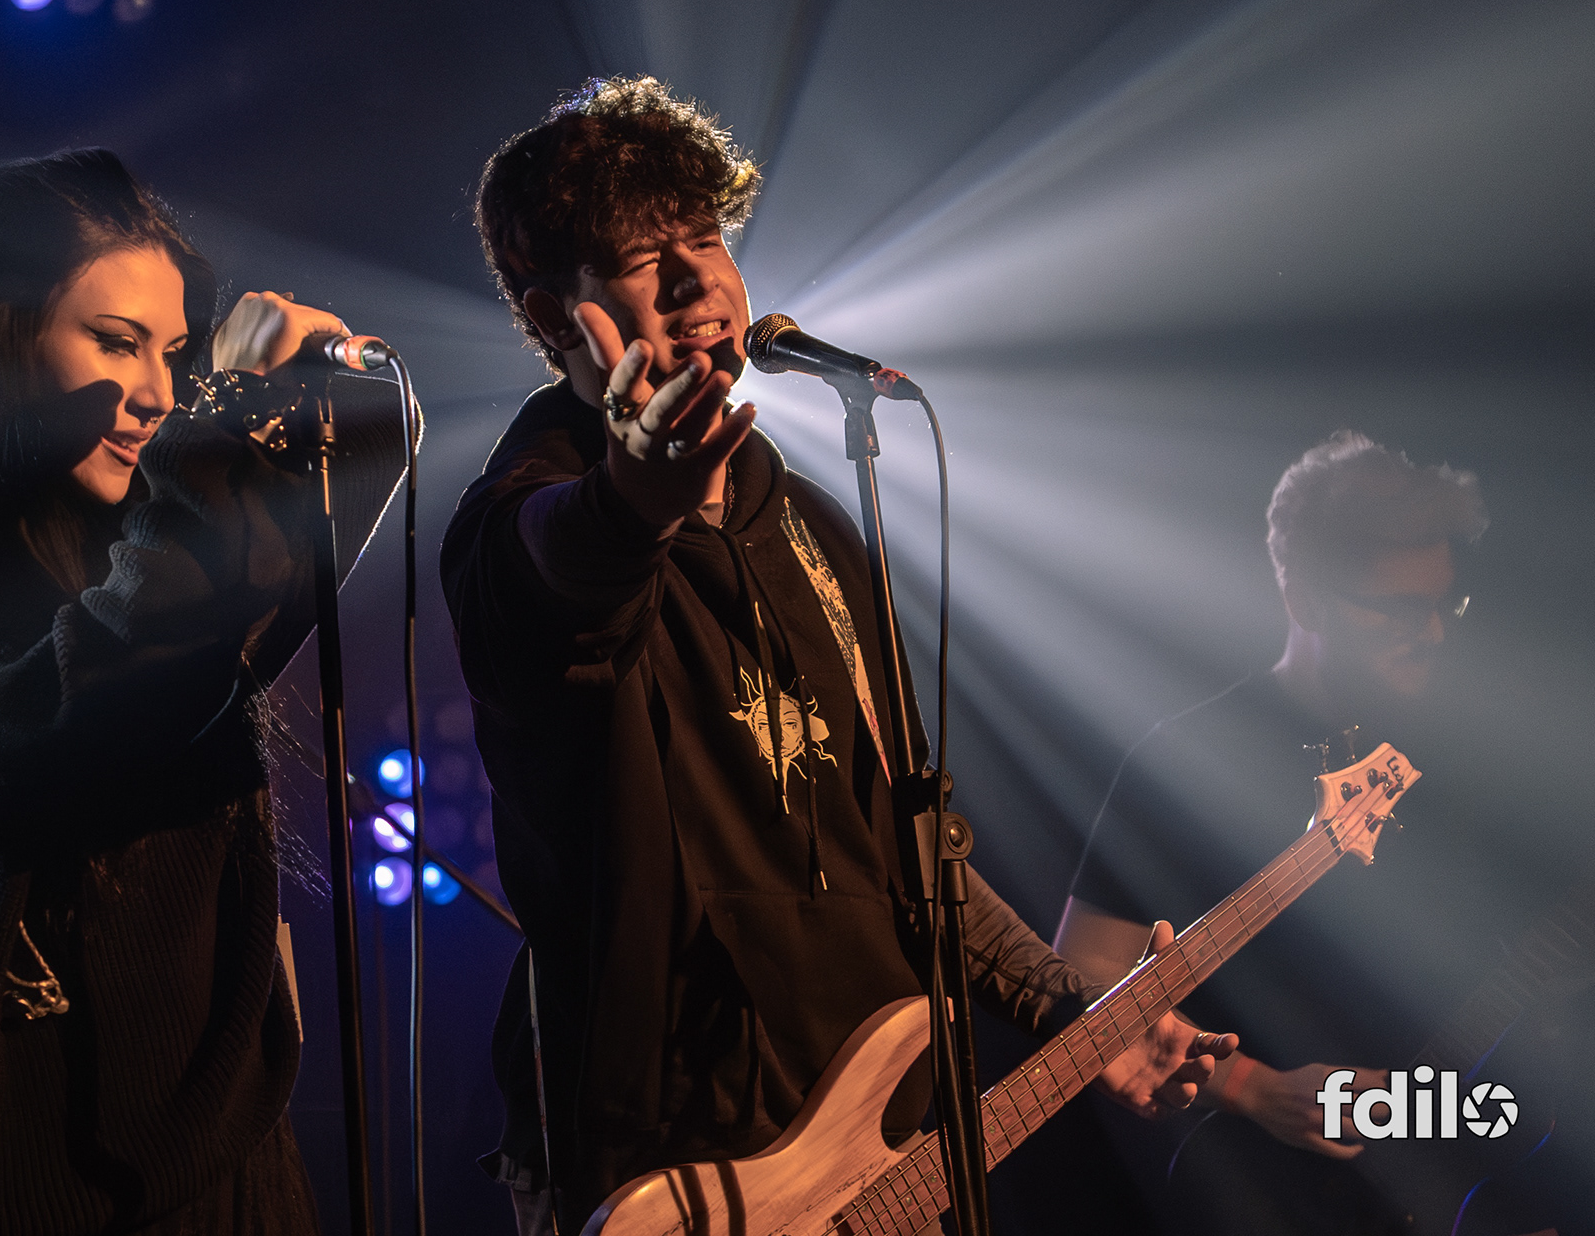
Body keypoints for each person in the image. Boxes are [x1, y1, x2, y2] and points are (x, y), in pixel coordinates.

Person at [441, 76, 1232, 1236]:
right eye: (645, 256)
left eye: (705, 237)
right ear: (559, 316)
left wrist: (1079, 1008)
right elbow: (569, 578)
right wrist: (631, 502)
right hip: (665, 1160)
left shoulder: (813, 522)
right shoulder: (518, 519)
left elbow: (910, 844)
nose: (698, 281)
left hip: (885, 1139)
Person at [0, 148, 388, 1233]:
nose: (158, 394)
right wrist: (225, 414)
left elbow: (315, 526)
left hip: (235, 1189)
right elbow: (61, 719)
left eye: (177, 354)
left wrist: (338, 397)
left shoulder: (146, 556)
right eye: (115, 340)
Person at [1057, 431, 1521, 1233]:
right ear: (1305, 598)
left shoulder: (1478, 759)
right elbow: (1084, 974)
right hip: (1261, 1194)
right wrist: (1256, 1089)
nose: (1435, 633)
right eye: (1401, 608)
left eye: (1447, 603)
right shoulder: (1186, 755)